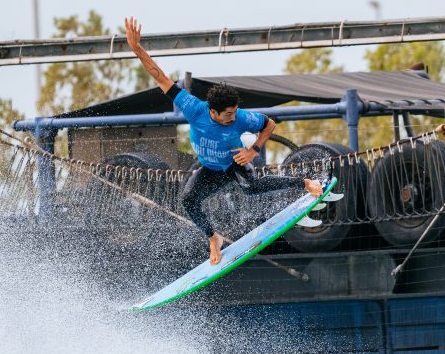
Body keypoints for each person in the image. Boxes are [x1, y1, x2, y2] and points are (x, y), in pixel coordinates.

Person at [125, 17, 323, 265]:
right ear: (213, 111)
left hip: (233, 163)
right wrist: (137, 49)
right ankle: (213, 237)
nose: (233, 117)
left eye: (235, 112)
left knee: (251, 188)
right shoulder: (195, 109)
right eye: (227, 114)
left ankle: (304, 182)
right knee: (188, 200)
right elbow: (161, 77)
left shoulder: (241, 117)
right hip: (209, 168)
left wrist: (254, 150)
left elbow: (269, 124)